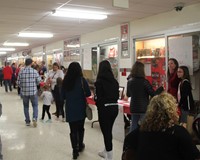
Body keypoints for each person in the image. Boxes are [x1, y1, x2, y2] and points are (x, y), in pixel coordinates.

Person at [123, 92, 200, 160]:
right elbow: (194, 156)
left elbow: (126, 154)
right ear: (172, 111)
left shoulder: (136, 134)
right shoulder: (179, 133)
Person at [62, 62, 91, 160]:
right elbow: (87, 93)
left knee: (72, 130)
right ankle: (80, 145)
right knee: (80, 128)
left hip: (70, 108)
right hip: (81, 108)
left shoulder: (65, 81)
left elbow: (62, 96)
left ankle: (74, 150)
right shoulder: (82, 80)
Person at [126, 61, 163, 132]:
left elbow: (128, 94)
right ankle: (143, 140)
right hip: (143, 107)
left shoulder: (130, 81)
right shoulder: (144, 82)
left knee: (133, 125)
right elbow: (153, 94)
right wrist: (160, 89)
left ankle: (132, 140)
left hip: (133, 107)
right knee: (144, 126)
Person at [94, 60, 119, 160]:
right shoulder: (114, 81)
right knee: (108, 131)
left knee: (106, 132)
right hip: (114, 108)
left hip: (104, 109)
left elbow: (97, 98)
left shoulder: (99, 82)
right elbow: (117, 96)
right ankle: (106, 150)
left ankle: (109, 156)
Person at [17, 58, 41, 127]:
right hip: (33, 92)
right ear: (31, 63)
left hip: (24, 93)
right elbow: (39, 81)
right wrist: (34, 84)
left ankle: (27, 121)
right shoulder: (34, 71)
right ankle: (34, 118)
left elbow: (18, 83)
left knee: (26, 107)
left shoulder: (21, 71)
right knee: (35, 106)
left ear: (25, 63)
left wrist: (23, 86)